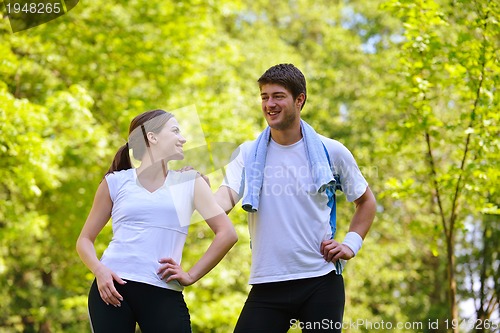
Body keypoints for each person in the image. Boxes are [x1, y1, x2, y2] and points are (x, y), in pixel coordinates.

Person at [214, 64, 376, 332]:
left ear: (299, 99)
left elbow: (366, 201)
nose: (269, 104)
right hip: (267, 282)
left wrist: (351, 244)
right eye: (264, 97)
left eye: (278, 96)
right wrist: (195, 194)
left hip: (321, 280)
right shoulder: (247, 153)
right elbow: (224, 201)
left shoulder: (331, 151)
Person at [76, 109, 238, 333]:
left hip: (163, 289)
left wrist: (191, 275)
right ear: (152, 137)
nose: (183, 138)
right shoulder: (115, 182)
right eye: (175, 131)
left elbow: (227, 233)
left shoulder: (189, 182)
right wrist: (99, 271)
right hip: (111, 288)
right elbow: (84, 239)